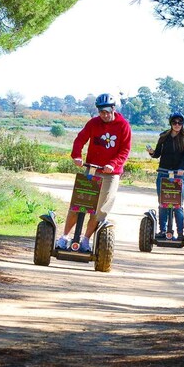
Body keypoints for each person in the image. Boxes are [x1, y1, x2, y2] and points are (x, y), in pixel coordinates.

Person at [56, 93, 132, 252]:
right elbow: (80, 139)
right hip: (91, 168)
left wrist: (112, 164)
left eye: (106, 112)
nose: (104, 115)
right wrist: (76, 155)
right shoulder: (93, 123)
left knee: (100, 210)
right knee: (78, 204)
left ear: (113, 109)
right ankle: (64, 237)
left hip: (111, 173)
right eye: (101, 112)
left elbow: (125, 150)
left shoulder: (123, 125)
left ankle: (85, 240)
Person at [146, 112, 184, 240]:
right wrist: (151, 153)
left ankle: (180, 233)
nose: (177, 125)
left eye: (180, 123)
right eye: (174, 122)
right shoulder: (164, 137)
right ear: (171, 123)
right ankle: (163, 231)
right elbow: (157, 154)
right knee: (163, 203)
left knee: (178, 205)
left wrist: (182, 169)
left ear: (182, 124)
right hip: (163, 172)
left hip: (178, 175)